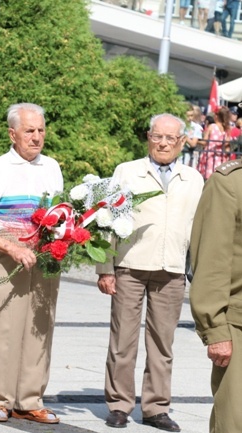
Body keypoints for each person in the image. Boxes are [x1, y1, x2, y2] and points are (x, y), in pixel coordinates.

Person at [96, 113, 204, 431]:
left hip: (171, 269)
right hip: (130, 265)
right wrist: (105, 268)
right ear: (148, 137)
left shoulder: (194, 178)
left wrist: (198, 273)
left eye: (171, 138)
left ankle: (156, 407)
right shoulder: (127, 172)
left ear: (182, 142)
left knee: (162, 344)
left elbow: (199, 228)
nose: (164, 143)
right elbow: (106, 218)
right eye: (158, 136)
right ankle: (118, 405)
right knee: (123, 340)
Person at [0, 103, 64, 424]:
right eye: (29, 131)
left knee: (40, 327)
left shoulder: (51, 166)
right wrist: (12, 247)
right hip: (6, 255)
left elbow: (58, 213)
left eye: (40, 130)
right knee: (3, 329)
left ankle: (30, 399)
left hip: (45, 257)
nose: (36, 137)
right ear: (12, 134)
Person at [189, 159, 242, 433]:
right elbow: (211, 262)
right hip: (239, 325)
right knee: (235, 422)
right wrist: (215, 329)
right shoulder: (229, 183)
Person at [198, 106, 231, 179]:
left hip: (210, 156)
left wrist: (197, 141)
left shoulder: (212, 126)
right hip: (221, 157)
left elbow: (204, 142)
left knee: (207, 178)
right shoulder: (227, 129)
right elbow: (227, 144)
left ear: (216, 116)